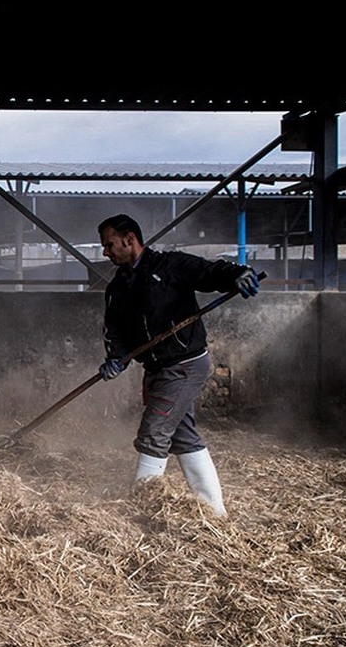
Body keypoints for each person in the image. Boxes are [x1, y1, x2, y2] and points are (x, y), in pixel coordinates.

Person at [96, 213, 260, 518]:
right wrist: (114, 358)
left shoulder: (169, 266)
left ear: (130, 239)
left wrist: (237, 274)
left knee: (153, 432)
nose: (106, 251)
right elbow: (114, 329)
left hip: (185, 364)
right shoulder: (117, 288)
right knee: (183, 437)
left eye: (109, 244)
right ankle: (215, 512)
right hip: (156, 369)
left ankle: (141, 510)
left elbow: (209, 272)